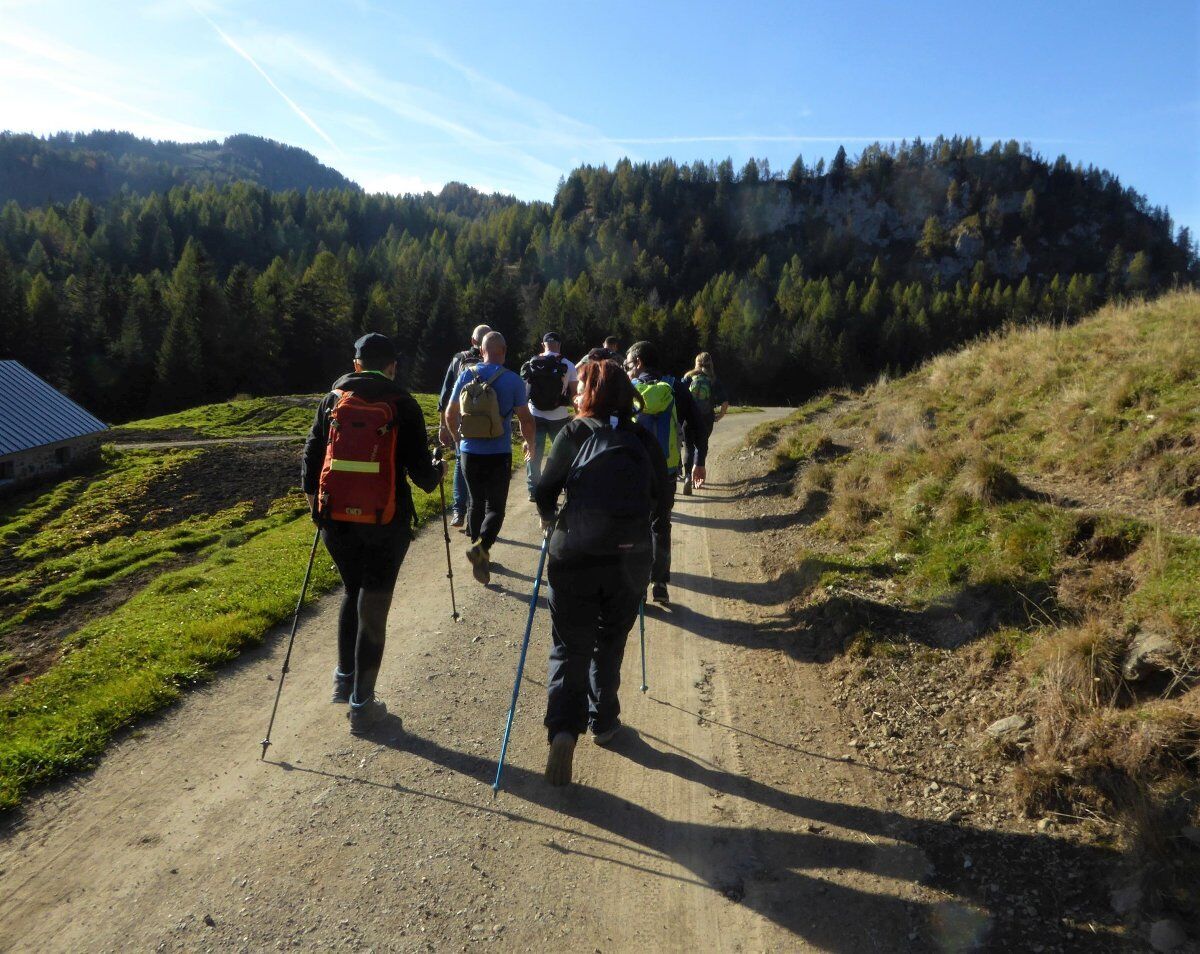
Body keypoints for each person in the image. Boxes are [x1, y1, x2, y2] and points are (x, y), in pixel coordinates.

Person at [534, 358, 671, 786]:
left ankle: (562, 730)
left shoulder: (574, 433)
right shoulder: (641, 437)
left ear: (588, 394)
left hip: (573, 555)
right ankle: (605, 721)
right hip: (628, 560)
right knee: (610, 641)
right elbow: (662, 500)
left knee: (569, 646)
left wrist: (549, 516)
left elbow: (543, 490)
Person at [301, 333, 444, 735]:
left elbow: (312, 455)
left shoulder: (333, 400)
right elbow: (423, 477)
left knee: (351, 589)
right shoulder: (403, 404)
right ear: (393, 366)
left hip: (336, 522)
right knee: (375, 604)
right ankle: (362, 706)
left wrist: (315, 504)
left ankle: (343, 679)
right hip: (385, 522)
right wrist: (439, 470)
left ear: (357, 363)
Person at [444, 331, 536, 585]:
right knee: (495, 507)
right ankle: (482, 547)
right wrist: (530, 444)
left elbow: (450, 414)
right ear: (504, 351)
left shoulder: (465, 375)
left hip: (469, 452)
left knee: (475, 502)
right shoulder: (513, 381)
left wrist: (457, 440)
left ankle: (480, 553)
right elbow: (526, 420)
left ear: (481, 350)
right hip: (498, 453)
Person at [624, 340, 703, 605]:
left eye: (628, 364)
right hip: (666, 469)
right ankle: (659, 584)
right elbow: (696, 423)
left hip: (634, 467)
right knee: (661, 525)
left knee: (636, 526)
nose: (628, 369)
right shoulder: (676, 387)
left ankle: (637, 585)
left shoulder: (627, 389)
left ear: (639, 362)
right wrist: (698, 459)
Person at [437, 324, 491, 530]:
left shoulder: (458, 359)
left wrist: (443, 425)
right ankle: (474, 514)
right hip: (486, 423)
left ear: (472, 341)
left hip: (461, 422)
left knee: (462, 463)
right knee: (483, 467)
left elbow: (445, 395)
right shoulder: (492, 362)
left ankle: (459, 511)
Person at [520, 332, 578, 501]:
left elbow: (524, 394)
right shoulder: (568, 365)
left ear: (542, 344)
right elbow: (574, 394)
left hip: (534, 415)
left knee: (533, 451)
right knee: (561, 453)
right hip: (559, 415)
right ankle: (559, 486)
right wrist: (577, 415)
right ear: (559, 345)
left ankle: (533, 489)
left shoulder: (531, 364)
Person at [680, 352, 730, 495]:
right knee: (701, 446)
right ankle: (698, 469)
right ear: (710, 364)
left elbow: (678, 395)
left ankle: (688, 475)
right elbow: (725, 402)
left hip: (688, 419)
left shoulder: (688, 377)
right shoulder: (713, 381)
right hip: (706, 419)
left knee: (689, 448)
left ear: (696, 363)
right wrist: (719, 416)